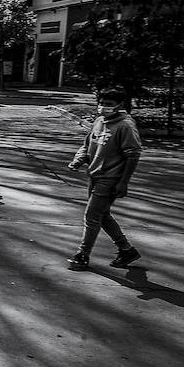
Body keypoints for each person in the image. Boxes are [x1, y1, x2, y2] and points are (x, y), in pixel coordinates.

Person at [66, 89, 142, 271]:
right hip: (95, 174)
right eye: (102, 103)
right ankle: (127, 249)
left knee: (92, 216)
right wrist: (78, 160)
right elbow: (87, 144)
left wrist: (123, 182)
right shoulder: (99, 121)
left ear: (120, 105)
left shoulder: (126, 126)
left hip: (111, 178)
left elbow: (133, 155)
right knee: (102, 215)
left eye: (109, 104)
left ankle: (82, 255)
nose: (104, 107)